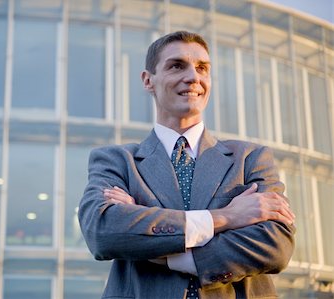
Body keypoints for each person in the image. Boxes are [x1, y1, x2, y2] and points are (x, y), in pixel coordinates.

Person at [78, 30, 295, 299]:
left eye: (202, 68)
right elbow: (104, 231)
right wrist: (227, 217)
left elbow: (274, 245)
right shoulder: (117, 161)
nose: (193, 77)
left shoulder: (251, 158)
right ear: (148, 80)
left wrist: (165, 252)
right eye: (177, 66)